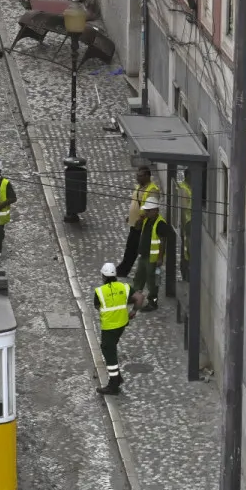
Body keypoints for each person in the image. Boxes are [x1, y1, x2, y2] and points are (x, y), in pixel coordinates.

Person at [93, 262, 131, 395]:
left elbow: (98, 307)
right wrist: (134, 312)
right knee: (110, 348)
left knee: (109, 353)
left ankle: (114, 384)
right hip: (122, 325)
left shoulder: (100, 292)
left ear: (103, 276)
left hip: (109, 327)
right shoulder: (124, 287)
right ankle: (117, 378)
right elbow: (139, 298)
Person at [118, 165, 162, 277]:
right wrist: (130, 216)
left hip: (143, 226)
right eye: (137, 176)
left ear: (147, 176)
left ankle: (127, 270)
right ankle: (123, 268)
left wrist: (141, 219)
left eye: (140, 176)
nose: (138, 178)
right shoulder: (139, 187)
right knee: (130, 247)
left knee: (136, 249)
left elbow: (151, 208)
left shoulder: (152, 190)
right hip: (134, 224)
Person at [129, 209, 172, 312]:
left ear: (155, 211)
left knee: (152, 282)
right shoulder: (146, 220)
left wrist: (160, 257)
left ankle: (153, 302)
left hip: (152, 258)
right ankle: (135, 296)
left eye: (148, 211)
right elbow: (137, 227)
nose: (146, 212)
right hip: (143, 255)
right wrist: (140, 219)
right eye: (146, 211)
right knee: (138, 277)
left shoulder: (160, 223)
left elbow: (163, 241)